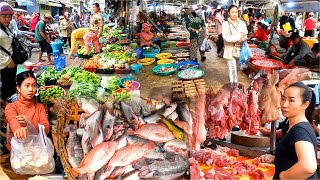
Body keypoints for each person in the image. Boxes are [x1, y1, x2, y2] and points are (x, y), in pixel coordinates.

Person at [260, 82, 317, 179]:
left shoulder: (299, 130)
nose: (284, 104)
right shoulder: (296, 127)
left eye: (291, 100)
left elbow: (308, 167)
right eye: (283, 99)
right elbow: (294, 156)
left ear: (305, 105)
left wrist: (283, 176)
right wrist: (277, 158)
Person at [5, 71, 50, 151]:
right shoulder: (11, 107)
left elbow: (46, 128)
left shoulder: (40, 107)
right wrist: (18, 129)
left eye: (34, 86)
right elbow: (12, 119)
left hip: (37, 148)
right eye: (27, 86)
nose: (31, 89)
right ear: (18, 88)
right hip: (18, 151)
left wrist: (29, 124)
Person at [0, 2, 17, 102]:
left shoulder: (5, 27)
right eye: (3, 16)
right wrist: (7, 61)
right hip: (4, 63)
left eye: (9, 16)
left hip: (10, 61)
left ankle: (10, 100)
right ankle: (7, 105)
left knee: (10, 83)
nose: (7, 19)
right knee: (6, 85)